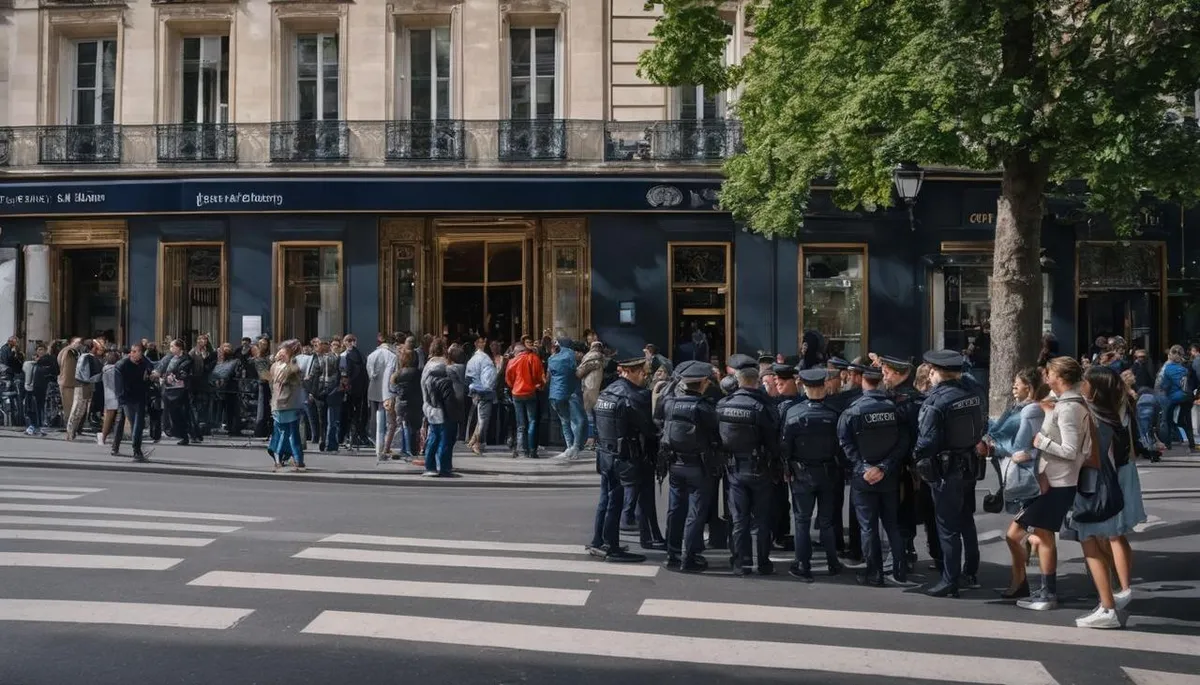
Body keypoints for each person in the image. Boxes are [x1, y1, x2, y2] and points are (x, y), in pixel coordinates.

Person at [1068, 364, 1146, 629]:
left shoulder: (1093, 415)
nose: (1082, 384)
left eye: (1086, 381)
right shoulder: (1116, 410)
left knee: (1095, 537)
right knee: (1112, 534)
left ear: (1095, 388)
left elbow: (1088, 454)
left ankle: (1109, 603)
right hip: (1119, 474)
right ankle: (1117, 592)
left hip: (1099, 481)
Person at [1014, 356, 1090, 612]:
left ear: (1060, 377)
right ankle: (1045, 590)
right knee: (1039, 534)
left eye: (1050, 373)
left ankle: (1048, 593)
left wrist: (1041, 443)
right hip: (1053, 479)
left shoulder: (1069, 407)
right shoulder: (1064, 403)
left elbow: (1070, 450)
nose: (1045, 376)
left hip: (1059, 481)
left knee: (1042, 535)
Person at [912, 350, 985, 598]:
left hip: (945, 469)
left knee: (946, 527)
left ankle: (950, 580)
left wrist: (915, 456)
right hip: (969, 464)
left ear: (935, 372)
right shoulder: (973, 393)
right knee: (966, 519)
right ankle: (971, 570)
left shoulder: (936, 402)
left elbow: (926, 442)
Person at [840, 365, 910, 586]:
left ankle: (874, 573)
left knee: (868, 527)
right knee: (892, 524)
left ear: (863, 382)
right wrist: (884, 467)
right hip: (888, 476)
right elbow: (903, 443)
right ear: (880, 382)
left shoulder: (852, 411)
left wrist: (864, 468)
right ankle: (900, 570)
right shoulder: (895, 409)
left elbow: (845, 444)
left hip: (864, 477)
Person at [588, 357, 656, 563]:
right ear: (632, 372)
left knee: (605, 499)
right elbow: (647, 428)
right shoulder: (635, 396)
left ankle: (598, 541)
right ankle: (611, 546)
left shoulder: (607, 392)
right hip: (624, 456)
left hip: (605, 454)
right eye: (643, 373)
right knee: (615, 501)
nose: (645, 377)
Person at [988, 367, 1049, 599]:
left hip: (1030, 479)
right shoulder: (1021, 408)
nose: (1014, 386)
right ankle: (1026, 582)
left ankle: (1032, 585)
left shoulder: (1030, 411)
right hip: (1028, 478)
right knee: (1033, 536)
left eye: (1018, 383)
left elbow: (1019, 448)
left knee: (1019, 536)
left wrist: (995, 447)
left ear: (1029, 387)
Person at [717, 359, 780, 576]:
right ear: (756, 383)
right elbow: (772, 439)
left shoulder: (724, 404)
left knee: (738, 518)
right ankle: (762, 562)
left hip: (734, 467)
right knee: (761, 519)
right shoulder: (762, 406)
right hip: (760, 468)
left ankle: (739, 562)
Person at [657, 361, 720, 572]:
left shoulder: (669, 403)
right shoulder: (704, 407)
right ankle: (689, 556)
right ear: (702, 383)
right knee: (696, 512)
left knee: (675, 509)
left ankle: (672, 553)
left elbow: (659, 422)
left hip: (675, 463)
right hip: (699, 466)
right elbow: (718, 432)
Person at [783, 368, 843, 582]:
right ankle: (832, 562)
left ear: (805, 387)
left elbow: (785, 447)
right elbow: (841, 446)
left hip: (802, 474)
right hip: (828, 473)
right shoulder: (834, 414)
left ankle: (803, 565)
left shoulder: (794, 413)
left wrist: (787, 469)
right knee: (826, 521)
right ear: (824, 386)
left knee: (801, 521)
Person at [879, 354, 924, 570]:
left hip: (904, 464)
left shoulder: (908, 401)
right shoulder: (897, 397)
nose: (883, 376)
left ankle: (904, 549)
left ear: (901, 374)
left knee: (902, 509)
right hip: (898, 463)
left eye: (887, 372)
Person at [770, 364, 801, 551]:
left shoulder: (799, 402)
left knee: (799, 503)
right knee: (779, 500)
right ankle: (779, 534)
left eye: (782, 381)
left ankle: (786, 534)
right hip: (780, 459)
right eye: (777, 381)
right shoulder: (776, 403)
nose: (778, 384)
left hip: (798, 458)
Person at [268, 340, 306, 471]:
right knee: (288, 433)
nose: (280, 354)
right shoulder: (281, 366)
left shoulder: (286, 365)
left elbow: (291, 373)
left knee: (287, 432)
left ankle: (291, 459)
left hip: (284, 404)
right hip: (284, 404)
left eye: (282, 352)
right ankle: (294, 459)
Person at [110, 344, 152, 461]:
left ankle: (135, 450)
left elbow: (151, 368)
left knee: (136, 424)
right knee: (128, 422)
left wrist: (150, 376)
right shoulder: (122, 365)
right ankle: (121, 447)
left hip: (139, 396)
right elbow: (117, 384)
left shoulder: (143, 362)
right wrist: (121, 398)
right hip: (126, 398)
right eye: (132, 351)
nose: (132, 354)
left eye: (136, 352)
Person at [548, 338, 587, 461]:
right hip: (570, 392)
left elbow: (549, 375)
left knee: (564, 421)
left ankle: (569, 447)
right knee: (578, 421)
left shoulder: (552, 358)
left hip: (554, 394)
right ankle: (575, 447)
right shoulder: (571, 356)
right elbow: (576, 373)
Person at [505, 342, 545, 459]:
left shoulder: (512, 361)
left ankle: (522, 450)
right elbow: (539, 376)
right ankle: (532, 450)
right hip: (530, 392)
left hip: (517, 393)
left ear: (518, 351)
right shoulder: (534, 358)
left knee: (520, 424)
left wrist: (514, 386)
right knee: (532, 421)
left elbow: (508, 379)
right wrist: (537, 384)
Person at [1156, 345, 1194, 451]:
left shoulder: (1167, 368)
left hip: (1173, 397)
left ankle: (1168, 443)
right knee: (1187, 420)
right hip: (1187, 396)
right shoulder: (1184, 369)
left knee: (1167, 419)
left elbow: (1163, 385)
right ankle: (1191, 444)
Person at [367, 334, 398, 462]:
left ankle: (377, 446)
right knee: (389, 423)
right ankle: (383, 448)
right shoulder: (392, 356)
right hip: (388, 393)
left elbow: (370, 374)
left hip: (374, 390)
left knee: (376, 419)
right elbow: (394, 376)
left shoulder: (371, 355)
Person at [465, 335, 497, 455]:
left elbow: (467, 378)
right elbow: (488, 380)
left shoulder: (472, 359)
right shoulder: (485, 359)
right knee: (483, 419)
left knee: (479, 417)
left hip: (475, 390)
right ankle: (477, 442)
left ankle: (473, 440)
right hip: (484, 392)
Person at [577, 340, 606, 450]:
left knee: (588, 414)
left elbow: (580, 372)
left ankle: (590, 439)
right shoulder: (600, 358)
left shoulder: (591, 356)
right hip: (595, 387)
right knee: (595, 415)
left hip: (589, 387)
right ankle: (595, 438)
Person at [342, 334, 369, 448]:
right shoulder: (359, 356)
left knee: (351, 414)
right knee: (355, 414)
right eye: (348, 340)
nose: (350, 343)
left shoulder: (351, 356)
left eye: (352, 340)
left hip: (352, 389)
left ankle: (351, 436)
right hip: (356, 389)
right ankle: (354, 435)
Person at [23, 344, 54, 437]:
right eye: (39, 349)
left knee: (39, 407)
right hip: (31, 387)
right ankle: (32, 426)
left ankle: (37, 426)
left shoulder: (47, 360)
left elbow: (52, 370)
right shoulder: (32, 363)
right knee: (30, 408)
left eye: (42, 349)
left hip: (41, 387)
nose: (40, 351)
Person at [98, 349, 122, 445]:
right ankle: (105, 437)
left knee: (108, 417)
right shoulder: (115, 370)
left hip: (108, 395)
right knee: (115, 418)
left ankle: (103, 437)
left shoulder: (105, 369)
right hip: (115, 395)